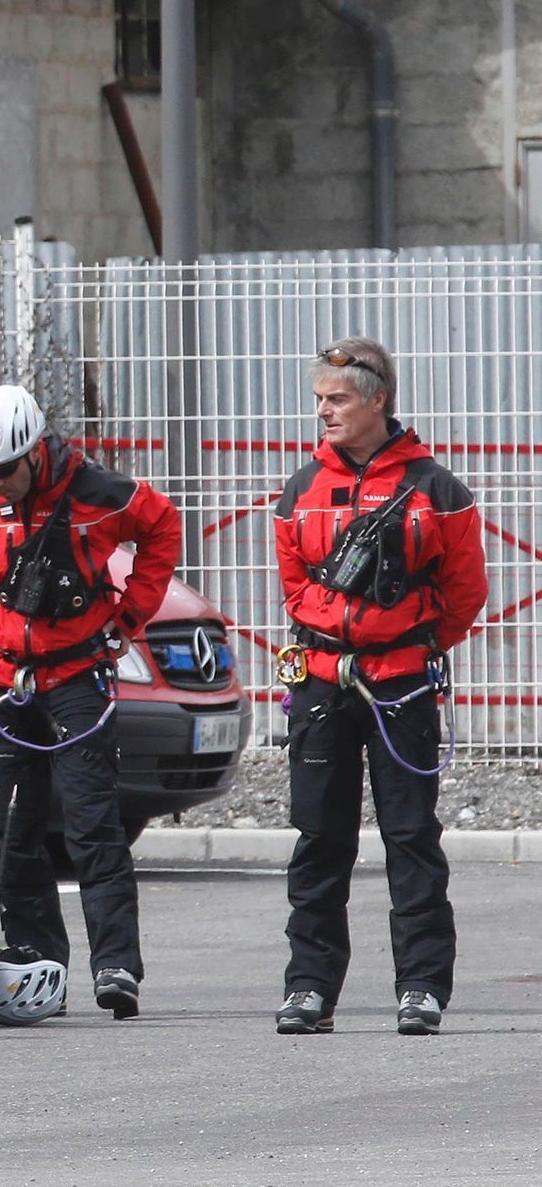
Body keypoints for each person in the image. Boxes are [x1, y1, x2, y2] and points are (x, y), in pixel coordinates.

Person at [0, 384, 181, 1019]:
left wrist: (128, 617)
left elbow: (161, 528)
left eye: (7, 470)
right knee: (15, 827)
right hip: (5, 676)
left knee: (94, 821)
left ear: (36, 452)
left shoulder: (99, 491)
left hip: (76, 674)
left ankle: (116, 965)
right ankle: (37, 963)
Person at [270, 338, 487, 1036]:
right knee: (317, 838)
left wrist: (408, 645)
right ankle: (308, 988)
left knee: (410, 836)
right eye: (318, 399)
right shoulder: (299, 489)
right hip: (321, 683)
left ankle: (419, 987)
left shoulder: (436, 489)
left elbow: (463, 594)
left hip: (400, 688)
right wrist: (338, 645)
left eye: (335, 398)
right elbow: (293, 586)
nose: (322, 411)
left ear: (375, 399)